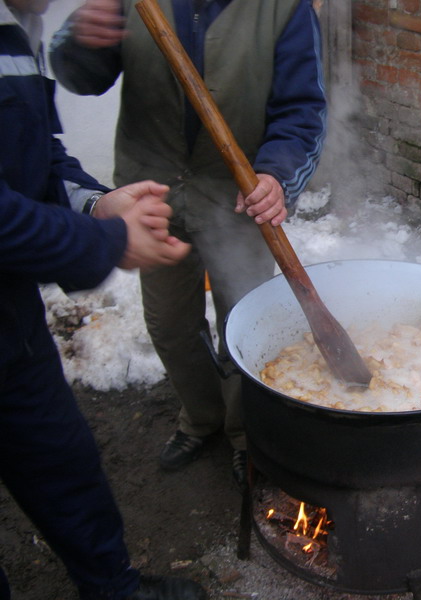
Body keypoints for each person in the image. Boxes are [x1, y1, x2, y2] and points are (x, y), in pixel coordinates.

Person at [49, 0, 327, 489]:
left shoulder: (283, 7)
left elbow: (302, 110)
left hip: (238, 199)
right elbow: (84, 78)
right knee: (170, 323)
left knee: (245, 325)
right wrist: (80, 43)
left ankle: (245, 433)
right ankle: (200, 418)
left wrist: (277, 174)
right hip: (150, 197)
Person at [0, 0, 210, 597]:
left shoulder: (17, 25)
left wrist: (96, 205)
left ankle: (113, 590)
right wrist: (109, 241)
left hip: (11, 318)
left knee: (62, 462)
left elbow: (37, 158)